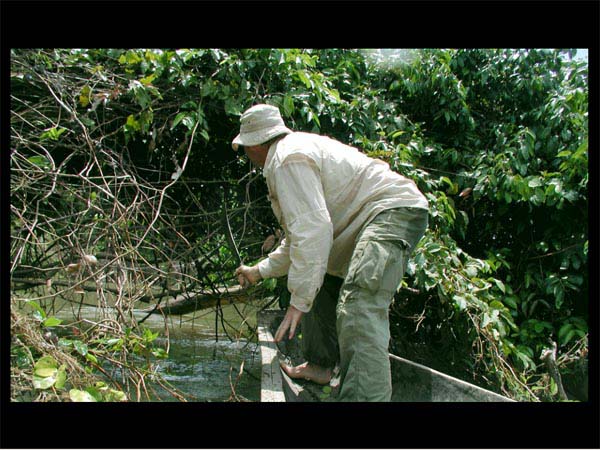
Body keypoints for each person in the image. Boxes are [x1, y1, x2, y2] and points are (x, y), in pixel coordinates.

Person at [233, 104, 429, 401]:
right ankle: (322, 366)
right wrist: (258, 271)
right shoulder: (287, 155)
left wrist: (298, 302)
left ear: (256, 144)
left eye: (245, 148)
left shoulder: (287, 159)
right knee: (317, 278)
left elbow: (313, 232)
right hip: (363, 223)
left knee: (359, 303)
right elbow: (299, 241)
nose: (246, 155)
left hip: (391, 212)